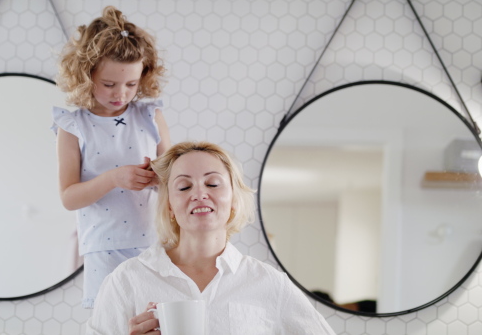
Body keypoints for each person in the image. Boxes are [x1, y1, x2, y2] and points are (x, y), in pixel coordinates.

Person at [86, 141, 335, 334]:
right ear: (170, 206)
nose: (199, 194)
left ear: (234, 201)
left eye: (213, 184)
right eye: (184, 187)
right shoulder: (126, 281)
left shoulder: (269, 284)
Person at [51, 6, 171, 309]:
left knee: (156, 320)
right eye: (109, 84)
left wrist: (160, 177)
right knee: (112, 322)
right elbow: (69, 198)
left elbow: (174, 177)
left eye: (131, 84)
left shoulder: (150, 116)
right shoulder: (73, 127)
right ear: (85, 74)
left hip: (153, 244)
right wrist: (114, 178)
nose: (121, 93)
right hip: (103, 247)